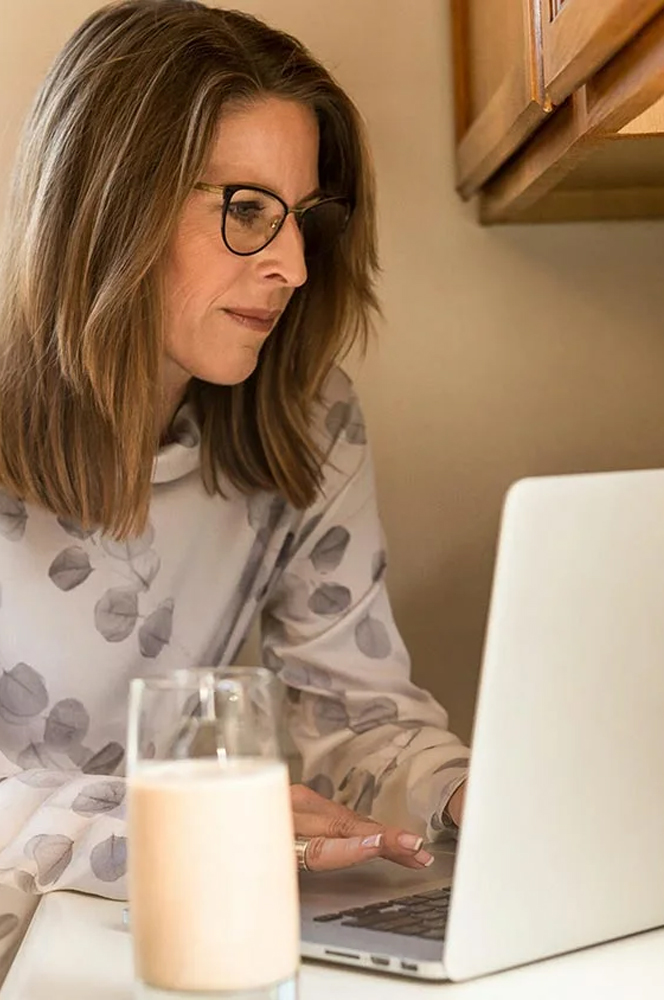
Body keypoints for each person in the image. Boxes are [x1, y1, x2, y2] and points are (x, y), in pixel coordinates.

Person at [0, 0, 468, 903]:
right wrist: (191, 829)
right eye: (247, 209)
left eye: (300, 216)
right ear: (109, 205)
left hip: (156, 930)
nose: (292, 262)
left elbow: (355, 717)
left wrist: (462, 794)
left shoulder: (306, 421)